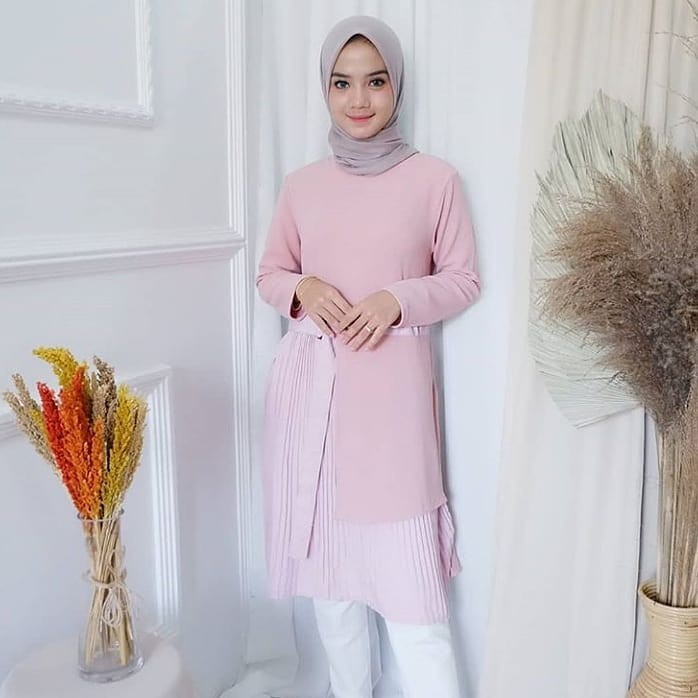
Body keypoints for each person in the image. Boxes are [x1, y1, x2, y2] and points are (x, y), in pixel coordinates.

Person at [255, 15, 480, 698]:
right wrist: (304, 288)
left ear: (396, 86)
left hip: (391, 414)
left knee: (414, 607)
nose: (359, 99)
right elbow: (269, 274)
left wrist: (395, 300)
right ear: (324, 89)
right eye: (341, 82)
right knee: (334, 599)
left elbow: (463, 279)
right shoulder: (301, 186)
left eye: (375, 81)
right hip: (315, 413)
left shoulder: (435, 180)